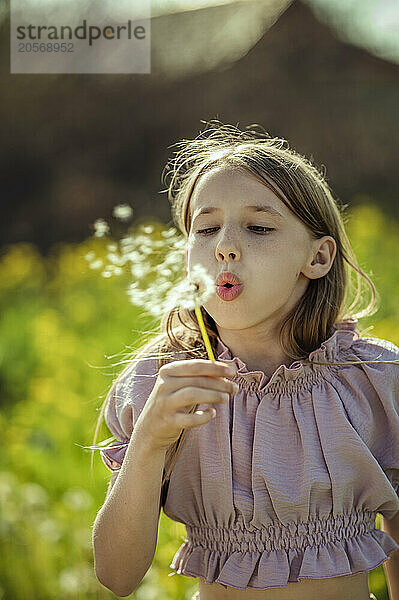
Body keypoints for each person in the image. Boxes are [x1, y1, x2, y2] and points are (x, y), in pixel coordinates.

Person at [91, 120, 399, 600]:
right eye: (207, 228)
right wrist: (149, 442)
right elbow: (117, 575)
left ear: (317, 258)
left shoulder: (375, 381)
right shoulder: (160, 387)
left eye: (258, 227)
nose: (225, 246)